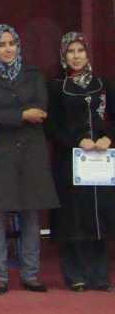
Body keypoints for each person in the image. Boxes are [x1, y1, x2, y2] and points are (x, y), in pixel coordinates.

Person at [0, 24, 58, 294]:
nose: (7, 49)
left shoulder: (33, 75)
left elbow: (42, 109)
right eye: (1, 44)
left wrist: (7, 113)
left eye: (11, 43)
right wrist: (22, 115)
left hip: (31, 152)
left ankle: (31, 275)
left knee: (31, 215)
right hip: (0, 153)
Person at [46, 32, 114, 292]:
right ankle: (75, 274)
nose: (76, 56)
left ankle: (99, 274)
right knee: (72, 217)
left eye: (80, 50)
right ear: (64, 56)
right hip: (69, 160)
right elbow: (51, 127)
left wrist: (108, 137)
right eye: (71, 51)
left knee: (99, 216)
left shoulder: (103, 84)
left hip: (101, 160)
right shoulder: (56, 87)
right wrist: (77, 141)